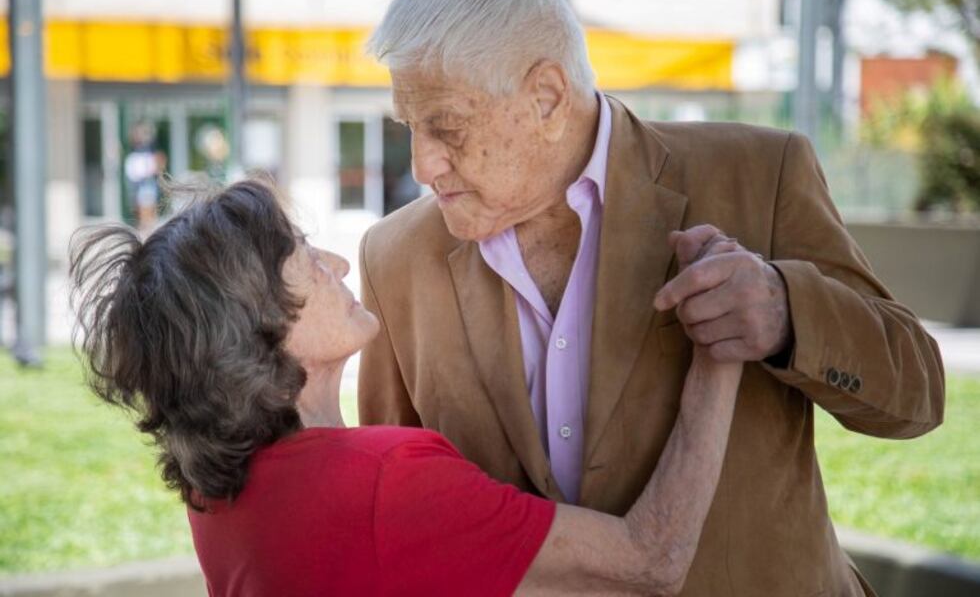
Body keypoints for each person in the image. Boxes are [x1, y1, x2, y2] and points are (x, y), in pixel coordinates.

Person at [356, 0, 945, 595]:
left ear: (546, 97)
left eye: (446, 127)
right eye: (408, 127)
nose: (422, 165)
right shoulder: (394, 258)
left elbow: (916, 398)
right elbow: (399, 515)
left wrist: (787, 315)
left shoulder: (759, 172)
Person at [70, 179, 745, 596]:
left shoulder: (211, 485)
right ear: (260, 318)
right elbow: (652, 562)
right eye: (304, 255)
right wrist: (719, 354)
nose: (337, 263)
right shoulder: (386, 481)